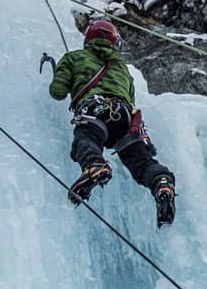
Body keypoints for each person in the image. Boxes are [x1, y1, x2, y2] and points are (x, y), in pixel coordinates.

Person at [48, 18, 175, 226]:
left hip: (96, 111)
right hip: (126, 117)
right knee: (140, 161)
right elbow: (130, 98)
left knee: (85, 139)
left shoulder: (74, 58)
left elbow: (57, 92)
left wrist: (60, 73)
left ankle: (94, 165)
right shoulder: (122, 68)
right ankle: (161, 182)